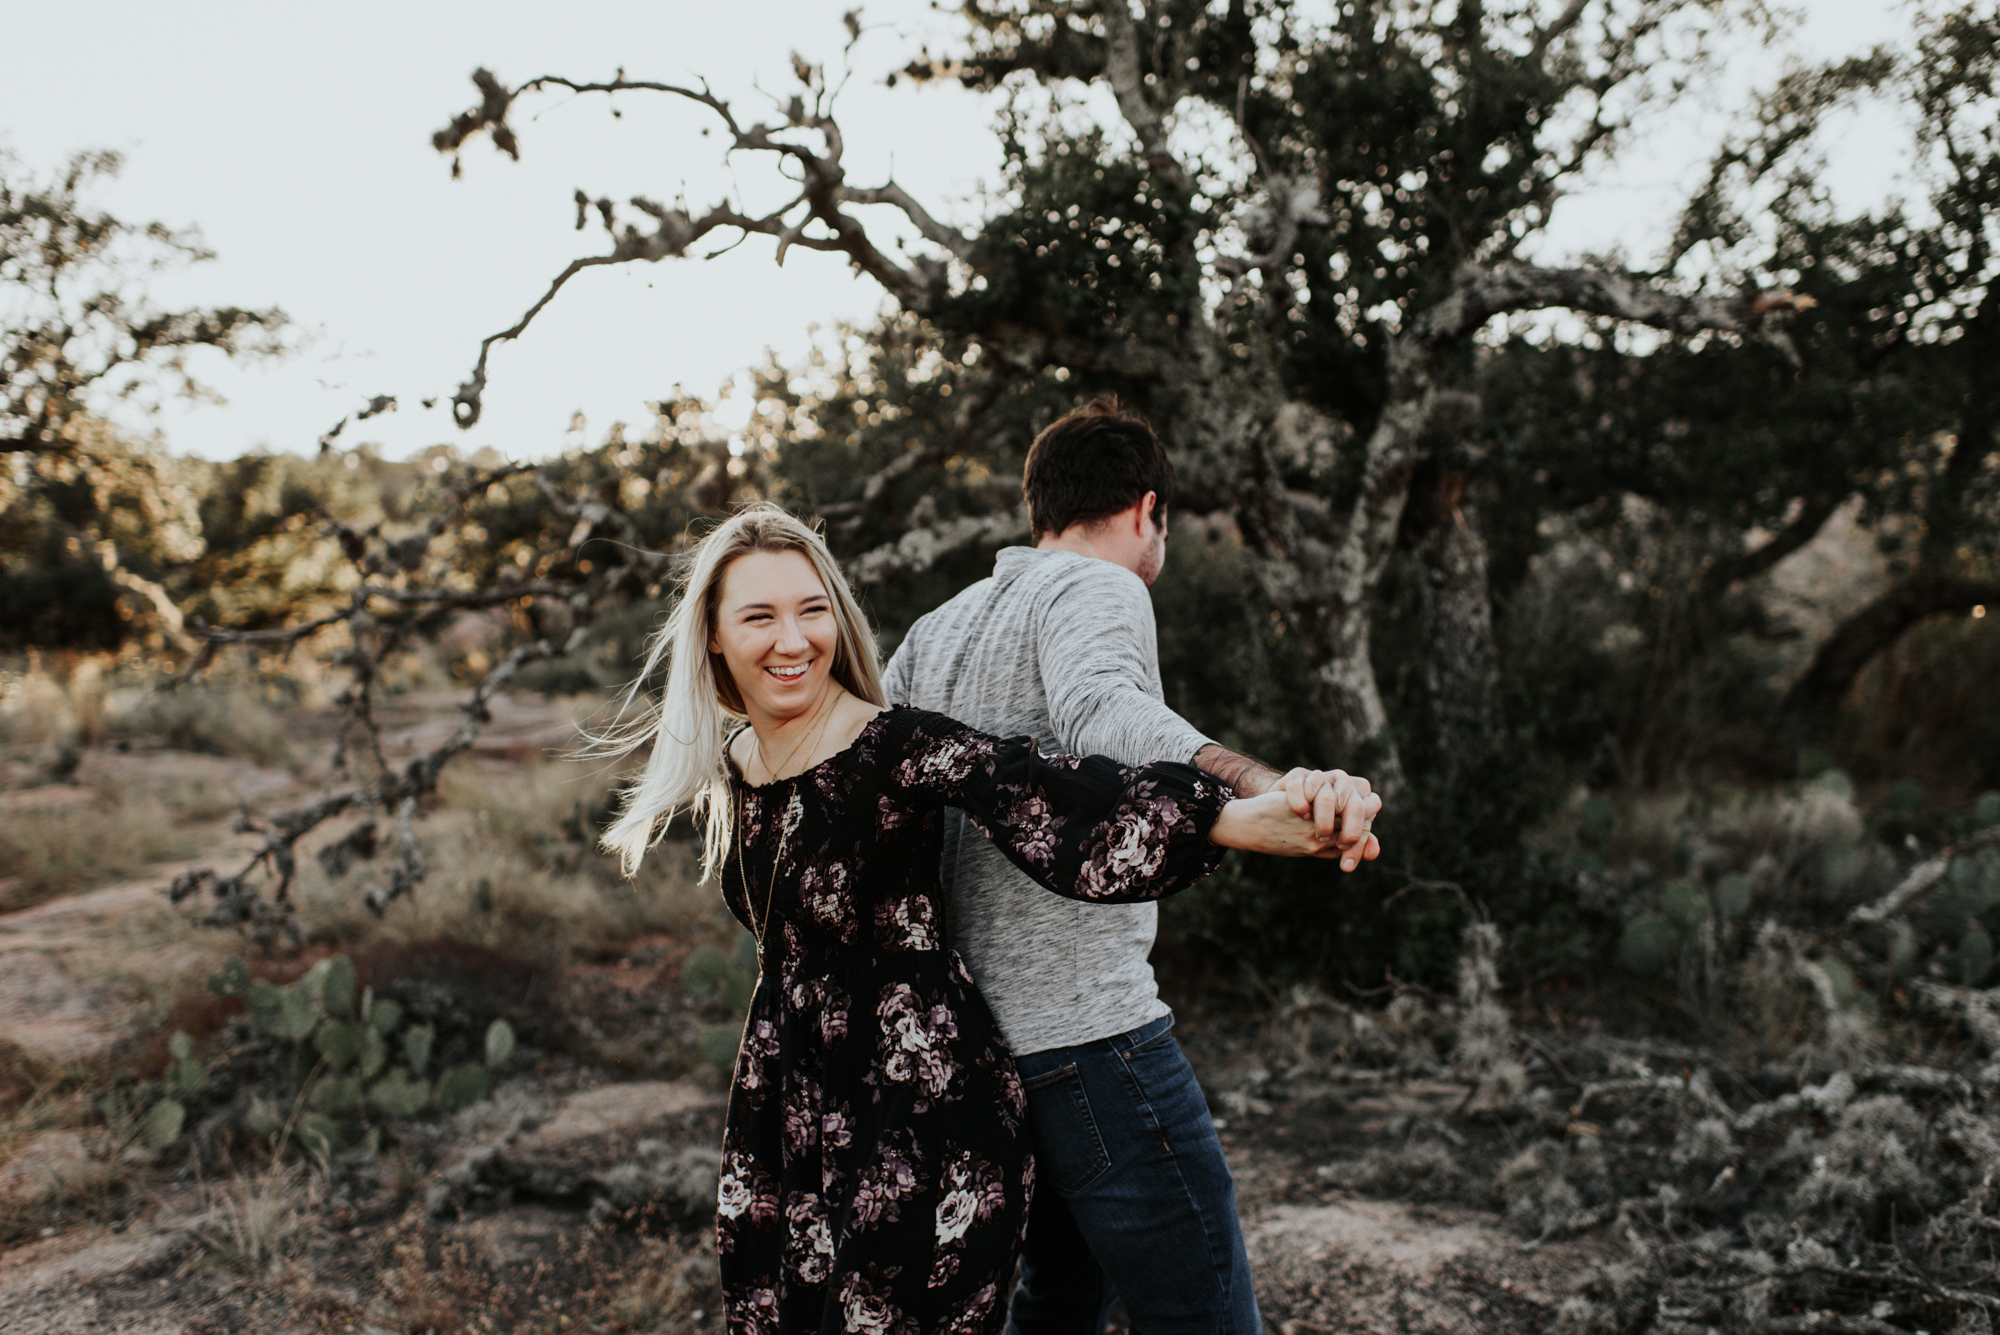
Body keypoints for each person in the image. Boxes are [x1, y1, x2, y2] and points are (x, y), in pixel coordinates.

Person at [593, 504, 1349, 1335]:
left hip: (921, 1117)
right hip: (793, 1108)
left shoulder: (894, 746)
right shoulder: (732, 770)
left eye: (813, 610)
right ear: (712, 634)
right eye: (760, 615)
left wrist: (1227, 815)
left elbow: (1044, 791)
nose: (794, 638)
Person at [882, 400, 1383, 1335]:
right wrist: (1268, 788)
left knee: (1058, 1307)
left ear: (1039, 505)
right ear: (1149, 509)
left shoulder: (931, 632)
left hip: (980, 1058)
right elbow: (1108, 716)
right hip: (1094, 1044)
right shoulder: (1099, 586)